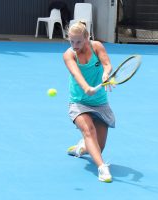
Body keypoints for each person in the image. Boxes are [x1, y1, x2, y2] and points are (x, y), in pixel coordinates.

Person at [63, 21, 115, 183]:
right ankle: (102, 168)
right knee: (88, 131)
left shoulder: (97, 46)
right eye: (72, 41)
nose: (75, 45)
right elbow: (76, 74)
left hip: (100, 102)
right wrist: (86, 88)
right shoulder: (69, 55)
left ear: (87, 37)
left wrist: (106, 74)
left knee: (98, 147)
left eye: (78, 41)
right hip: (79, 102)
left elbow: (107, 64)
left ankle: (82, 148)